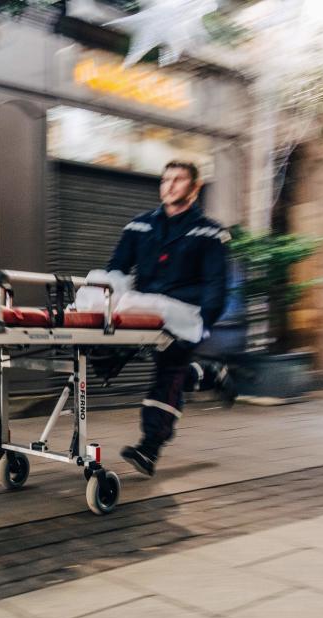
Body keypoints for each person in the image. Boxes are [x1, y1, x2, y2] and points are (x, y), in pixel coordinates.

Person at [108, 160, 235, 477]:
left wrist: (202, 326)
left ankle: (149, 447)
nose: (170, 185)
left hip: (185, 317)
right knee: (107, 359)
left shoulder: (210, 233)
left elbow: (216, 286)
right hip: (147, 312)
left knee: (168, 374)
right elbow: (116, 269)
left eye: (178, 180)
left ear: (194, 188)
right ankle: (210, 373)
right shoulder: (140, 226)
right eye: (165, 179)